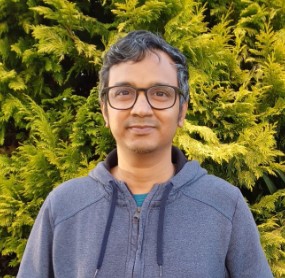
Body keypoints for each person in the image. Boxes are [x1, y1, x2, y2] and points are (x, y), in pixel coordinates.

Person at [17, 30, 273, 278]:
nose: (141, 109)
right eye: (124, 93)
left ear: (182, 111)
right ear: (105, 110)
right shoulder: (63, 206)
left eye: (160, 93)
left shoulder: (225, 205)